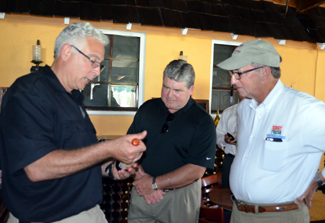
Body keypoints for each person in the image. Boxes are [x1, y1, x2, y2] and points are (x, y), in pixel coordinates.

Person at [0, 22, 146, 223]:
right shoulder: (28, 93)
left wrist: (112, 168)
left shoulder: (73, 98)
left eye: (99, 65)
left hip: (89, 212)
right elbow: (37, 167)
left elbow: (79, 155)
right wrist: (109, 149)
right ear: (67, 52)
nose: (97, 72)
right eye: (93, 61)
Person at [217, 39, 325, 223]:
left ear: (264, 72)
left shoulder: (305, 110)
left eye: (238, 73)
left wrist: (318, 180)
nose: (232, 80)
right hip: (239, 213)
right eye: (232, 73)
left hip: (280, 216)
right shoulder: (244, 108)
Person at [127, 59, 216, 223]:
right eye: (166, 87)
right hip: (141, 190)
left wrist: (154, 184)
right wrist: (141, 179)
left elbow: (196, 170)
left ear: (191, 90)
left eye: (177, 90)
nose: (169, 95)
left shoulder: (203, 122)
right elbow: (129, 149)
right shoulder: (147, 109)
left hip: (179, 198)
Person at [216, 93, 244, 188]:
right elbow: (217, 136)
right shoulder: (228, 112)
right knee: (226, 192)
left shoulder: (259, 113)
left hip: (250, 160)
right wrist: (224, 139)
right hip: (230, 159)